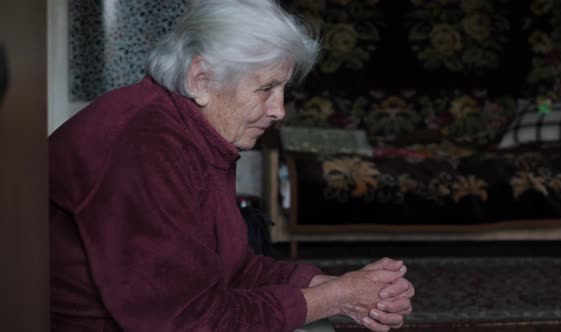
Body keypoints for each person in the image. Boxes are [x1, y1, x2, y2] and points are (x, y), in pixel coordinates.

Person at [49, 0, 415, 331]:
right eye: (265, 88)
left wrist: (338, 286)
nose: (279, 110)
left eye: (283, 90)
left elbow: (231, 269)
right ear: (201, 79)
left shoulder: (193, 132)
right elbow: (183, 321)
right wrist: (334, 298)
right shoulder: (144, 144)